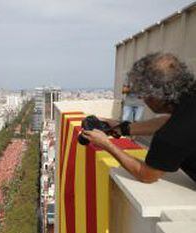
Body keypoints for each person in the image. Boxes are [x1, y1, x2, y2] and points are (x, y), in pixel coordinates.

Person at [82, 53, 196, 183]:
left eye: (143, 94)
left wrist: (107, 145)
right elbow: (168, 121)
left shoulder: (172, 134)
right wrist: (121, 128)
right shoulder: (188, 102)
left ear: (156, 96)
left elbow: (147, 174)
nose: (142, 99)